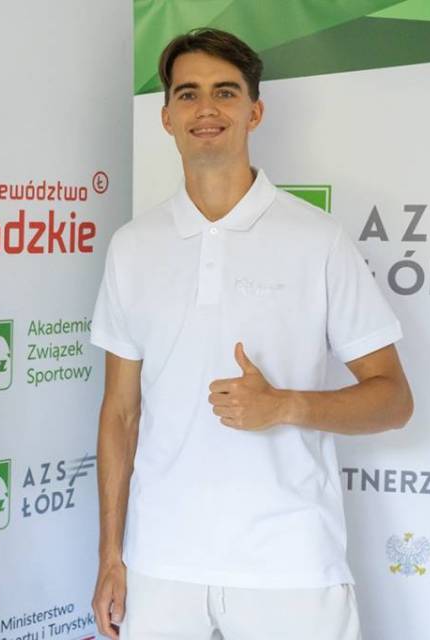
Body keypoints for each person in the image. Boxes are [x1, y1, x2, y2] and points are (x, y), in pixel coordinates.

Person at [90, 28, 412, 640]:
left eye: (225, 92)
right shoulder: (132, 247)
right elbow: (120, 414)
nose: (205, 108)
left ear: (254, 112)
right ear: (166, 117)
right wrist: (112, 553)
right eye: (187, 94)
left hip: (290, 563)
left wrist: (283, 405)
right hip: (160, 563)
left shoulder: (317, 239)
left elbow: (394, 399)